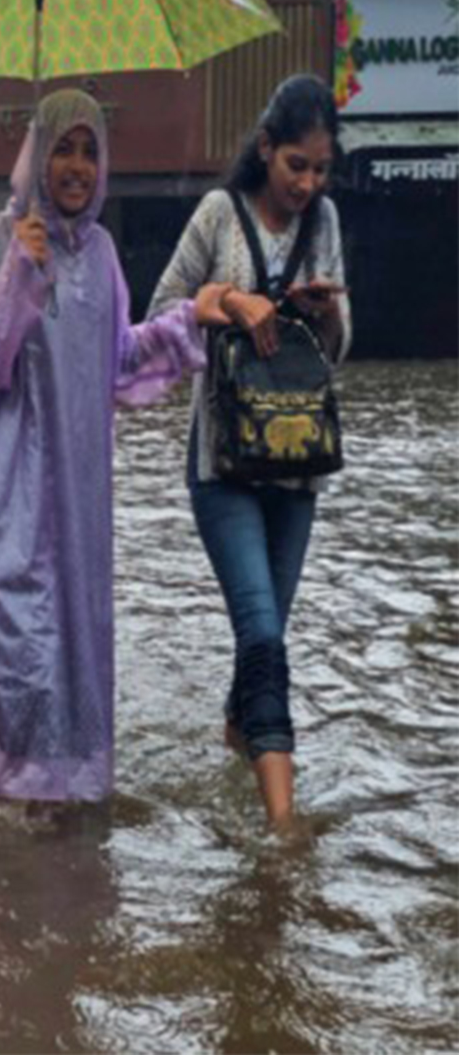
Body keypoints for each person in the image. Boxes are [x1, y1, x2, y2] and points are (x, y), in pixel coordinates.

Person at [0, 88, 230, 804]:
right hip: (3, 502)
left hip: (76, 509)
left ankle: (61, 834)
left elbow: (119, 360)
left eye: (89, 151)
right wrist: (17, 276)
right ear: (35, 157)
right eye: (61, 148)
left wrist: (194, 317)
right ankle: (17, 828)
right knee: (18, 656)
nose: (75, 167)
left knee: (71, 664)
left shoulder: (99, 255)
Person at [147, 75, 351, 830]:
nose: (308, 183)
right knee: (262, 633)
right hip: (222, 466)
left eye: (321, 169)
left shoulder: (323, 221)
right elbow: (157, 318)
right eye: (297, 164)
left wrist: (326, 316)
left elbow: (338, 351)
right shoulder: (216, 215)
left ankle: (238, 739)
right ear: (265, 149)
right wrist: (229, 301)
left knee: (262, 641)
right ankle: (282, 834)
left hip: (299, 467)